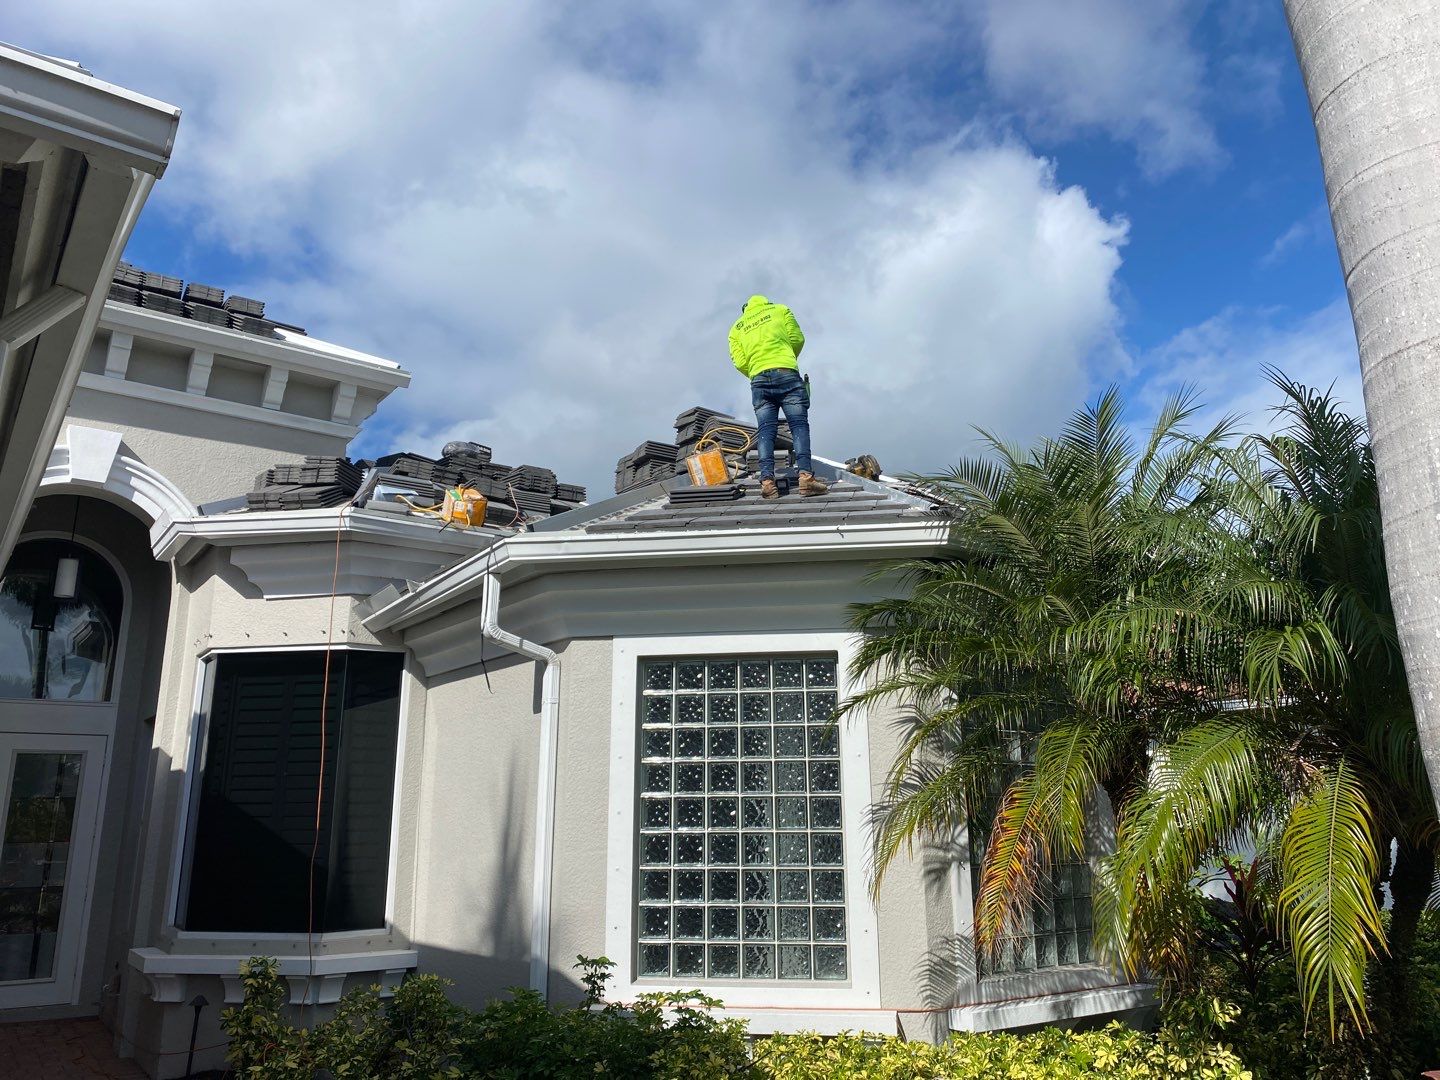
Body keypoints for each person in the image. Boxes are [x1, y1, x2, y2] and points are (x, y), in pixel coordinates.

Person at [728, 294, 828, 498]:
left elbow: (739, 361)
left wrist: (757, 369)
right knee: (798, 426)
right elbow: (797, 338)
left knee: (766, 431)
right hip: (786, 372)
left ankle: (767, 482)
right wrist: (784, 358)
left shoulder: (736, 328)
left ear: (746, 309)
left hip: (759, 380)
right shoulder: (780, 310)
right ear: (765, 302)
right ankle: (806, 479)